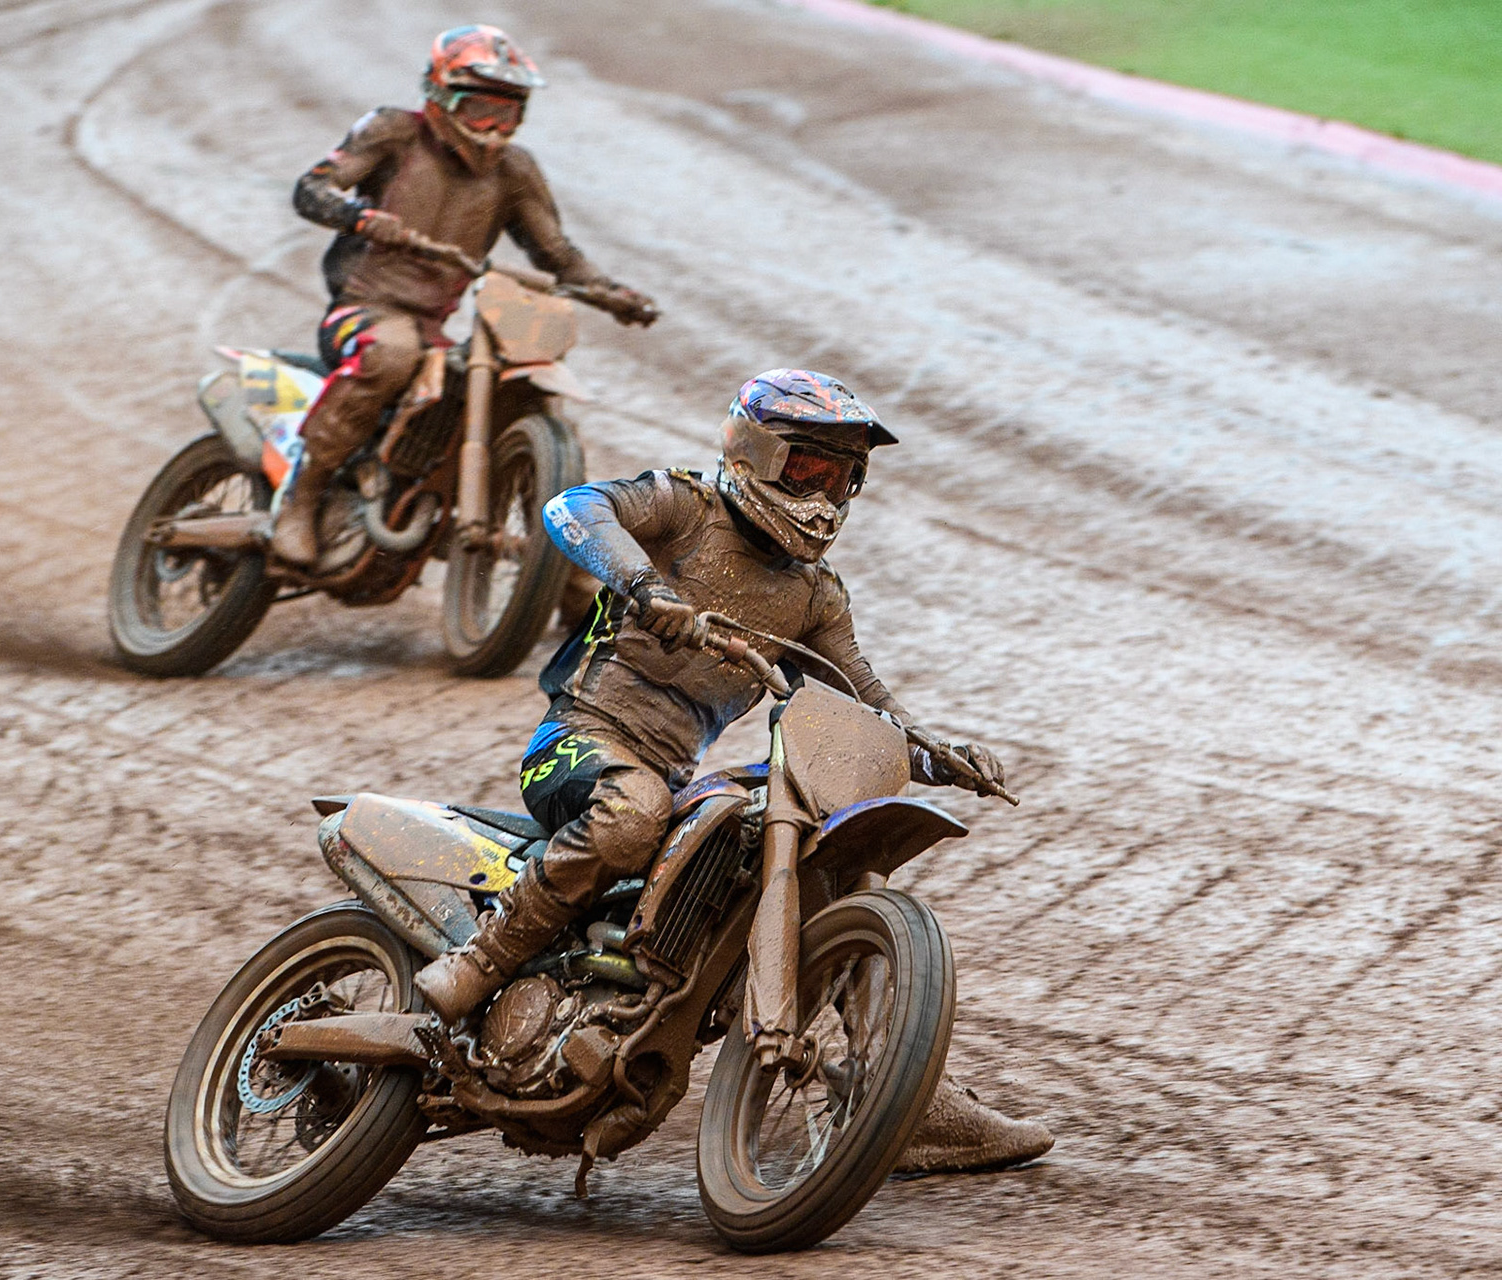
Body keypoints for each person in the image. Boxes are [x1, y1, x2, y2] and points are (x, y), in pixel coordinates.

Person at [415, 368, 1054, 1173]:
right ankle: (481, 962)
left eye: (844, 477)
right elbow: (572, 508)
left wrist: (935, 753)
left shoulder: (816, 597)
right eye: (810, 469)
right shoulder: (684, 508)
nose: (826, 494)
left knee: (830, 866)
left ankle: (912, 1103)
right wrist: (645, 584)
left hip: (675, 773)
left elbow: (867, 699)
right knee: (633, 812)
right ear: (756, 452)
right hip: (580, 739)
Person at [276, 24, 657, 567]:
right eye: (480, 109)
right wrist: (358, 216)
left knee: (519, 392)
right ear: (438, 94)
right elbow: (311, 187)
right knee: (391, 354)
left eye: (508, 113)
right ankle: (302, 494)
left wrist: (613, 292)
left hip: (435, 326)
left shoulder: (515, 170)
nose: (494, 127)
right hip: (360, 310)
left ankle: (565, 576)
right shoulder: (391, 132)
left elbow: (556, 252)